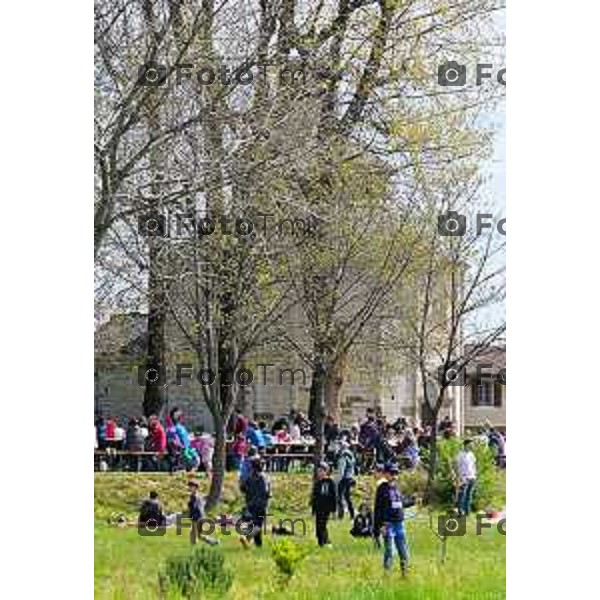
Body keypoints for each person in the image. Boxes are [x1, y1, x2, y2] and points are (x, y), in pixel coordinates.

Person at [373, 463, 410, 575]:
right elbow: (378, 508)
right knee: (389, 551)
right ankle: (387, 573)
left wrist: (413, 501)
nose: (394, 476)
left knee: (403, 550)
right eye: (391, 473)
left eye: (396, 473)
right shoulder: (382, 489)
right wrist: (378, 527)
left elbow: (401, 503)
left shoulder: (397, 488)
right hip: (387, 524)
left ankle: (405, 573)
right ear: (385, 474)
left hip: (399, 524)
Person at [239, 459, 271, 548]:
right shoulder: (264, 477)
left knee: (254, 523)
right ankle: (247, 537)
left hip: (250, 505)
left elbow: (243, 488)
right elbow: (266, 491)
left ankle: (258, 545)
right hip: (261, 505)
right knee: (258, 525)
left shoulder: (249, 477)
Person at [310, 462, 337, 547]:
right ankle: (320, 542)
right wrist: (313, 509)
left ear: (326, 471)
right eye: (318, 471)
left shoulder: (330, 482)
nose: (319, 473)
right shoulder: (317, 483)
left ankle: (326, 541)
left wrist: (334, 510)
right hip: (319, 508)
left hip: (327, 508)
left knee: (323, 525)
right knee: (318, 526)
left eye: (321, 471)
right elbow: (314, 497)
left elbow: (334, 497)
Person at [336, 440, 356, 519]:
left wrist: (338, 480)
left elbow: (341, 469)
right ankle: (352, 513)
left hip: (344, 478)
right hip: (350, 477)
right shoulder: (351, 455)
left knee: (339, 497)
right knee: (347, 497)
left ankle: (341, 515)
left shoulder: (343, 456)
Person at [456, 439, 477, 516]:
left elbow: (474, 465)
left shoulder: (472, 454)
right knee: (462, 495)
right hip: (464, 477)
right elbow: (458, 467)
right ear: (465, 445)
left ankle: (467, 511)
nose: (472, 446)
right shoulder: (460, 455)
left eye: (472, 445)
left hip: (472, 476)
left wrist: (475, 475)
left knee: (469, 495)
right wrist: (460, 477)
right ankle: (460, 511)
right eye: (470, 445)